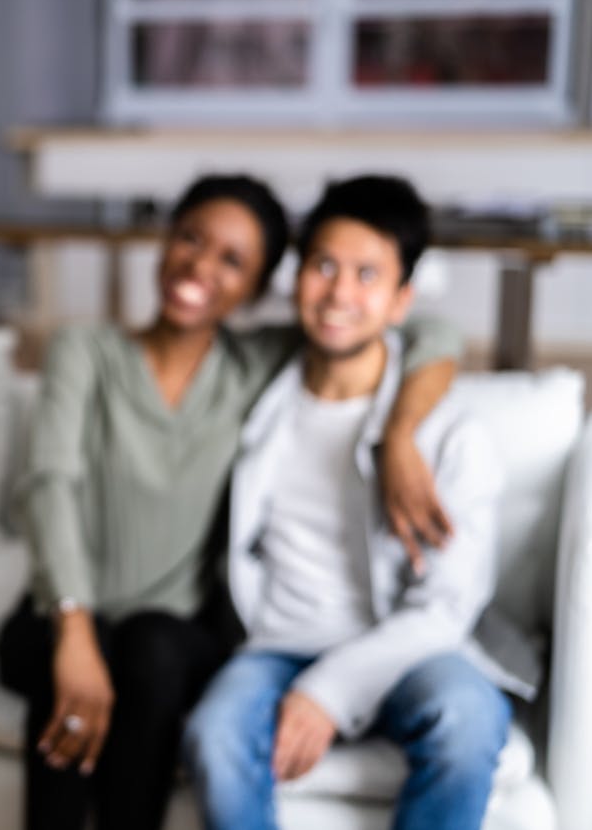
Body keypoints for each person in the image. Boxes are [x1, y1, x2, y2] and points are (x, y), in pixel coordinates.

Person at [0, 174, 465, 830]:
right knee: (76, 659)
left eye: (232, 260)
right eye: (190, 239)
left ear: (259, 287)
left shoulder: (255, 365)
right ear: (166, 241)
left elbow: (432, 334)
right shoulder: (85, 352)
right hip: (63, 614)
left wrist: (401, 435)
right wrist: (72, 631)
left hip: (169, 633)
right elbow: (49, 484)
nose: (200, 266)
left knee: (152, 647)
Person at [181, 175, 540, 830]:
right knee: (215, 734)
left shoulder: (448, 434)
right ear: (296, 278)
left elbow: (447, 607)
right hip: (275, 643)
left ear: (401, 300)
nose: (339, 293)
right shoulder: (257, 395)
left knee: (467, 721)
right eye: (323, 266)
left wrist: (327, 692)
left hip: (409, 648)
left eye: (367, 275)